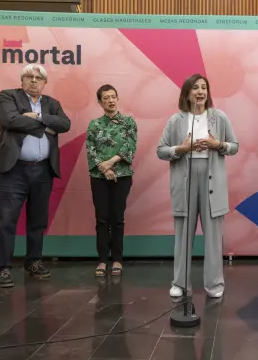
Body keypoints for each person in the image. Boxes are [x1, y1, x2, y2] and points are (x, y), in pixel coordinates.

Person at [0, 64, 71, 288]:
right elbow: (10, 121)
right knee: (7, 220)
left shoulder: (52, 103)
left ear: (45, 83)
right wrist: (45, 125)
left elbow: (65, 124)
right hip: (14, 169)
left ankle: (33, 261)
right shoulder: (8, 96)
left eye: (39, 78)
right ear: (22, 80)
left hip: (43, 170)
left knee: (38, 221)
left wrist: (37, 117)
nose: (34, 81)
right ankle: (3, 268)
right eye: (29, 77)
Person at [157, 74, 239, 298]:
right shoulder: (176, 120)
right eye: (195, 88)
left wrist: (217, 144)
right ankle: (180, 283)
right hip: (185, 182)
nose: (201, 91)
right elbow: (161, 150)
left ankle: (215, 285)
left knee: (213, 236)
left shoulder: (219, 117)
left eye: (204, 88)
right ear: (187, 93)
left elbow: (234, 146)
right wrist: (180, 149)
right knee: (183, 235)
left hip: (213, 181)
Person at [85, 84, 137, 278]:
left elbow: (130, 146)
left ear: (117, 98)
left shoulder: (128, 122)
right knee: (101, 219)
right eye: (106, 98)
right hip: (99, 177)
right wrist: (102, 168)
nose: (111, 100)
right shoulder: (94, 125)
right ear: (100, 102)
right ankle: (102, 260)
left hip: (122, 175)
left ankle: (117, 259)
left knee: (117, 218)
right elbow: (90, 149)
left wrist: (111, 163)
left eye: (113, 96)